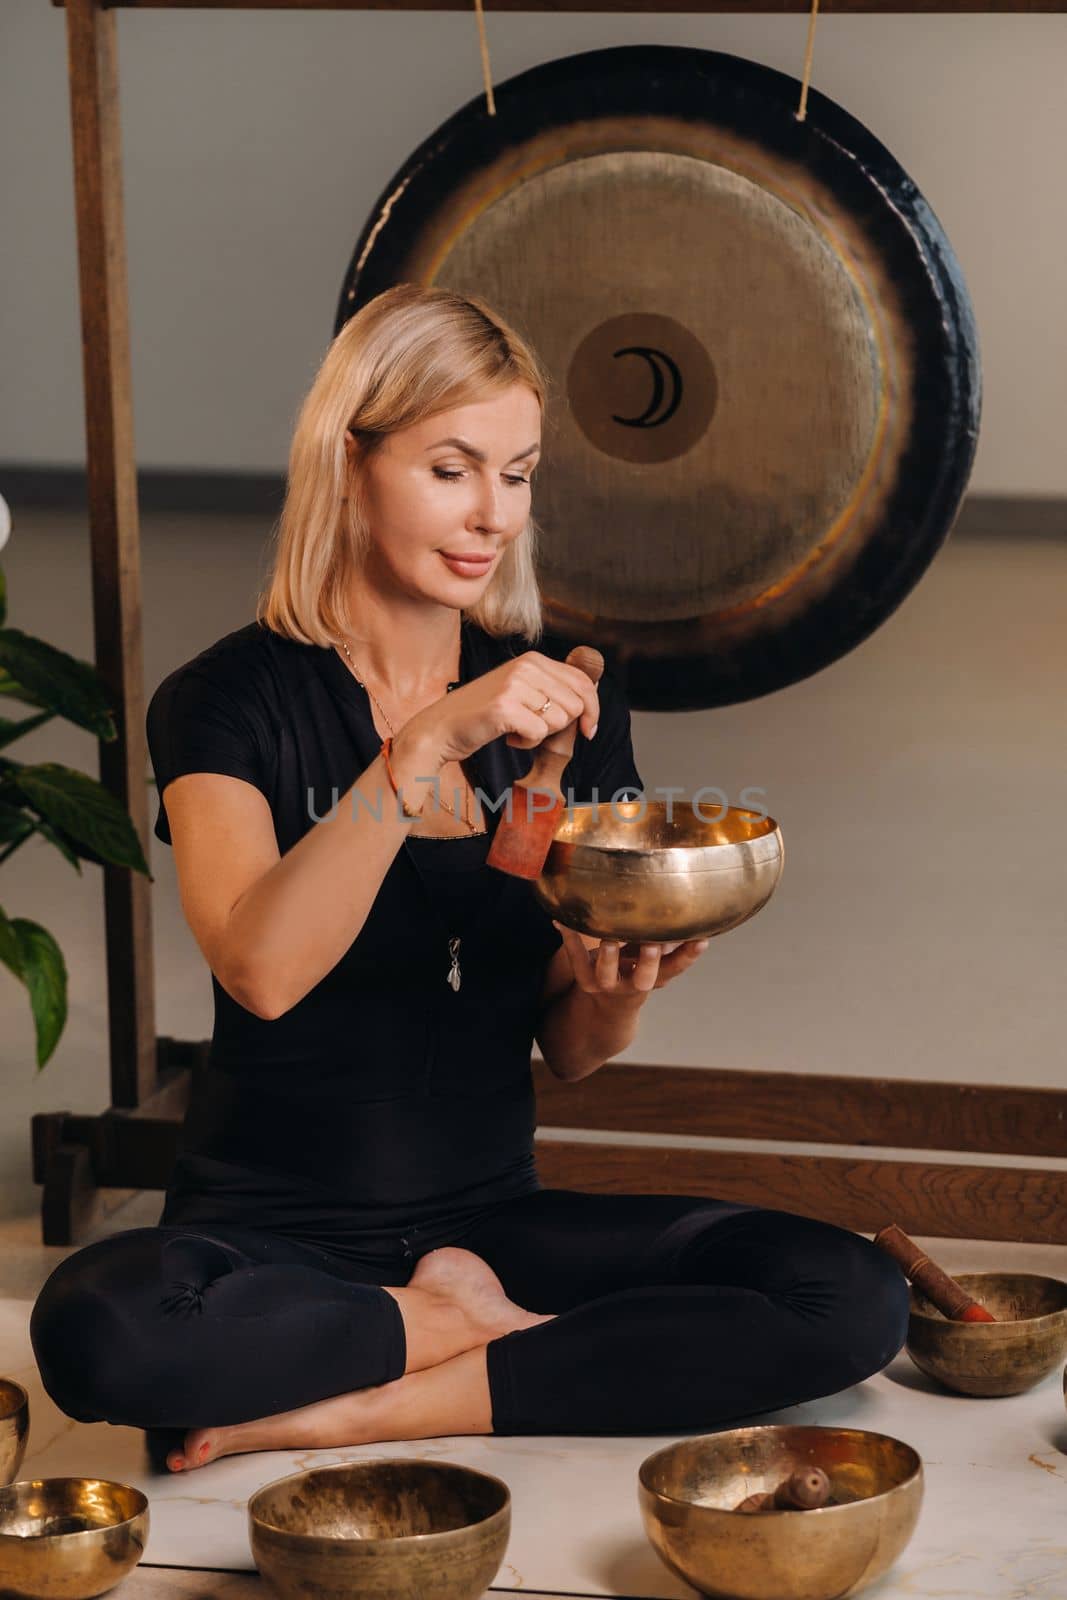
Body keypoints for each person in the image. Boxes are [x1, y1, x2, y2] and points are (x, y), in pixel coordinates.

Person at [30, 283, 909, 1476]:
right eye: (451, 469)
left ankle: (353, 1403)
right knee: (99, 1329)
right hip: (273, 1236)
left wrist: (616, 981)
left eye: (519, 472)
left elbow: (573, 1047)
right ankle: (439, 1332)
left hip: (494, 1225)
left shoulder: (552, 705)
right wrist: (426, 742)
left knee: (846, 1294)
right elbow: (262, 970)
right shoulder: (227, 702)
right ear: (350, 465)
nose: (491, 514)